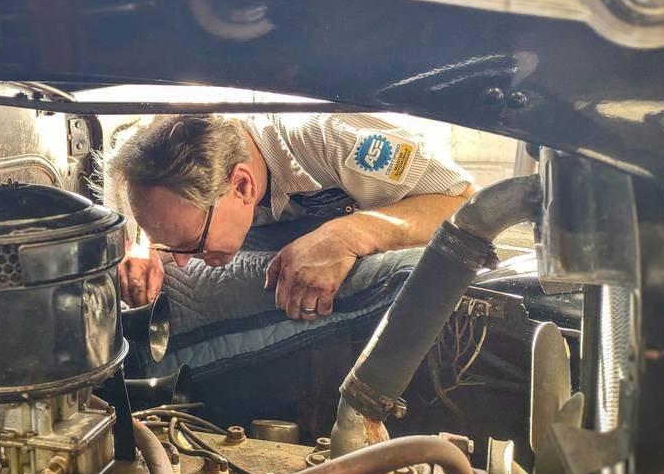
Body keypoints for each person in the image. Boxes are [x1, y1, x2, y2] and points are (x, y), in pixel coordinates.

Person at [105, 113, 473, 321]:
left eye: (192, 244)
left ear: (243, 187)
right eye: (173, 246)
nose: (182, 262)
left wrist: (348, 234)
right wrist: (143, 244)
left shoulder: (332, 139)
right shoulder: (156, 157)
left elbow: (464, 204)